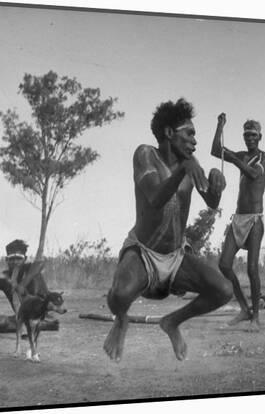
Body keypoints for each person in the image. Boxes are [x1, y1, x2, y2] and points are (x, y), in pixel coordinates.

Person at [103, 98, 231, 362]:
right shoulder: (145, 154)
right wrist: (184, 168)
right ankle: (121, 321)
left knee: (224, 290)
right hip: (143, 253)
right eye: (190, 133)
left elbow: (212, 203)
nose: (195, 141)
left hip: (176, 257)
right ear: (169, 133)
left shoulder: (190, 163)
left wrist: (217, 187)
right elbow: (155, 197)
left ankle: (172, 322)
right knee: (119, 295)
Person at [210, 114, 265, 332]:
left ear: (260, 137)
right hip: (238, 218)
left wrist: (235, 160)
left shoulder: (264, 157)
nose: (249, 138)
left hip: (254, 219)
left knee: (252, 269)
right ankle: (245, 309)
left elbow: (254, 175)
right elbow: (216, 150)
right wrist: (220, 125)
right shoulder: (242, 155)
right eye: (246, 135)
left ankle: (256, 317)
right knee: (224, 264)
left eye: (253, 135)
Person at [0, 239, 45, 314]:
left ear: (25, 259)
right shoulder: (2, 278)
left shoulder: (32, 271)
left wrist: (24, 282)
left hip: (41, 317)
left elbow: (40, 264)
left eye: (19, 258)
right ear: (6, 259)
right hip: (21, 319)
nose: (15, 262)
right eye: (12, 258)